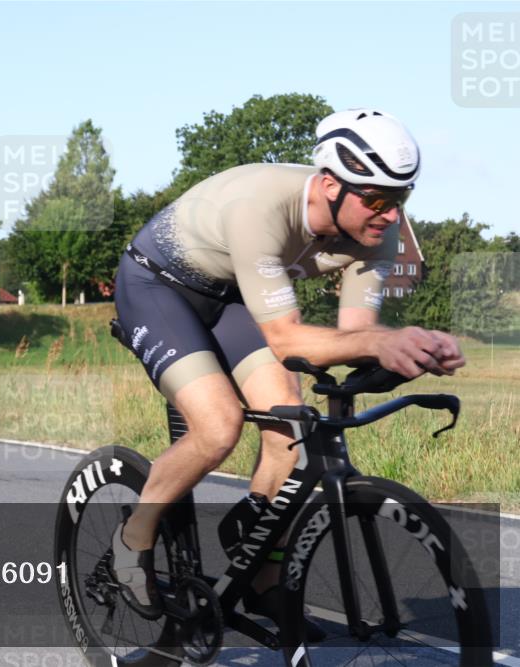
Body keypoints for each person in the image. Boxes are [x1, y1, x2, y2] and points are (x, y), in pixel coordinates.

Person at [110, 109, 465, 629]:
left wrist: (403, 352)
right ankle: (132, 539)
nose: (391, 215)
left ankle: (259, 566)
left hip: (229, 296)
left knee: (290, 428)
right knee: (218, 426)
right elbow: (284, 336)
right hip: (158, 287)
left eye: (401, 199)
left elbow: (353, 334)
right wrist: (378, 343)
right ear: (328, 186)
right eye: (378, 199)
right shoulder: (261, 206)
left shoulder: (378, 232)